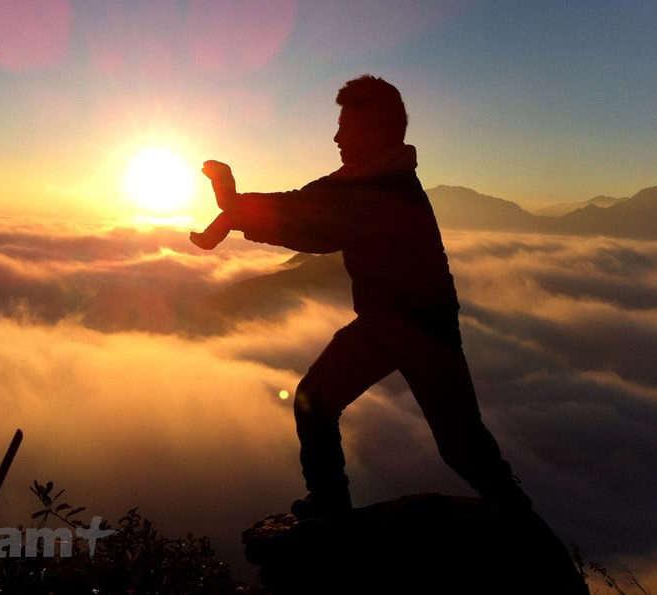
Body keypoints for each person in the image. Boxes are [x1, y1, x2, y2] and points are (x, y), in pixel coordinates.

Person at [196, 75, 531, 520]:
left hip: (417, 329)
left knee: (454, 441)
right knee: (451, 439)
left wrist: (232, 206)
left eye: (345, 128)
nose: (336, 137)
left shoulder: (381, 191)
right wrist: (232, 212)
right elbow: (307, 204)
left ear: (374, 133)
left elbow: (315, 225)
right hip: (397, 324)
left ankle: (335, 507)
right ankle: (512, 515)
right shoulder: (369, 180)